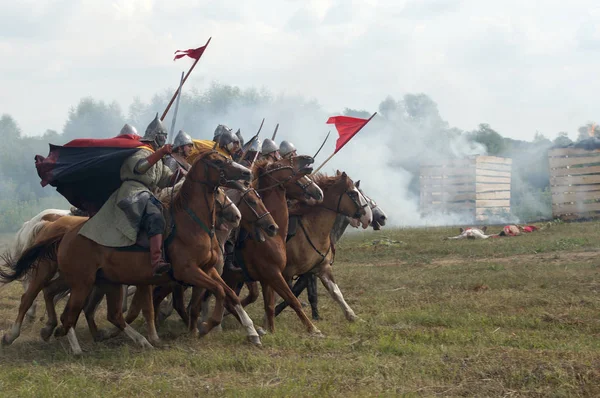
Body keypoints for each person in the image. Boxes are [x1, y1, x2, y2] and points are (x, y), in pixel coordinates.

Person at [78, 113, 178, 276]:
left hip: (147, 193)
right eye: (163, 136)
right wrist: (161, 153)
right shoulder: (140, 151)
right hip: (134, 193)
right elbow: (140, 167)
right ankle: (156, 261)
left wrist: (181, 174)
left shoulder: (158, 159)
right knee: (155, 217)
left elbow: (166, 179)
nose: (164, 139)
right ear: (155, 136)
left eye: (166, 137)